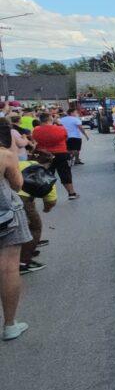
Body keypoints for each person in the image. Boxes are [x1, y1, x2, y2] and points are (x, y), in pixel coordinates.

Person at [0, 132, 31, 340]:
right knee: (8, 268)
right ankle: (10, 324)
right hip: (5, 217)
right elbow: (17, 184)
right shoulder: (4, 155)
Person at [31, 112, 77, 200]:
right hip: (61, 153)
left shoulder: (36, 130)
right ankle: (71, 193)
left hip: (44, 155)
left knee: (46, 175)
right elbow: (66, 138)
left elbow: (35, 139)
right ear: (50, 119)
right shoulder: (60, 128)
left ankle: (47, 195)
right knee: (65, 173)